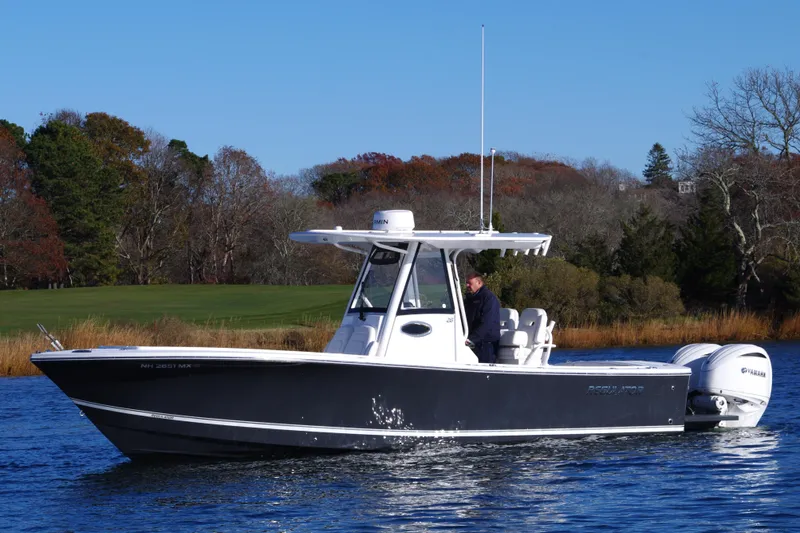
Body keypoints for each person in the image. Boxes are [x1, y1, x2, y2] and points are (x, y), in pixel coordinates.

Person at [463, 272, 501, 364]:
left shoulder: (489, 299)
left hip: (486, 344)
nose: (467, 285)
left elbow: (487, 323)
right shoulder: (469, 300)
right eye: (466, 283)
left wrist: (471, 339)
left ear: (479, 283)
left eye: (469, 283)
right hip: (473, 342)